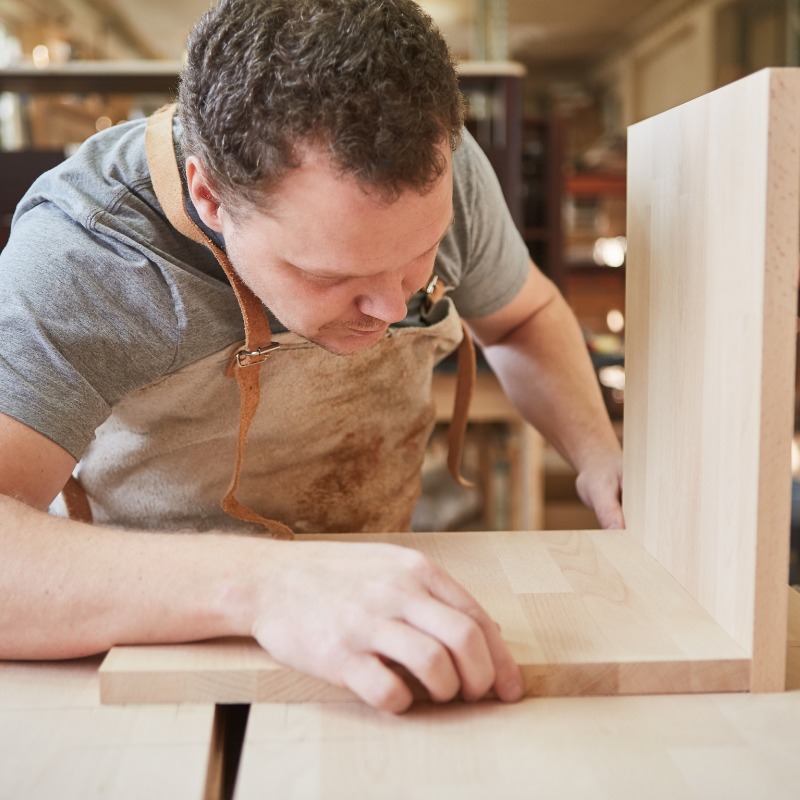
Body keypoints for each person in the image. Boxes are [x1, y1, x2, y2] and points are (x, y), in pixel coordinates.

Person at [0, 0, 623, 713]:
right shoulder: (85, 254)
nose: (392, 309)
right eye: (332, 276)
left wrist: (599, 455)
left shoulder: (436, 165)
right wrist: (268, 584)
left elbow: (522, 319)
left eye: (418, 255)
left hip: (369, 606)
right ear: (209, 193)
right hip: (150, 650)